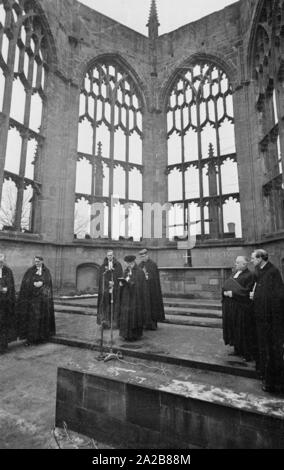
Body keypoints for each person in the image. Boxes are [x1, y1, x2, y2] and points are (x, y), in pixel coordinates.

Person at [250, 250, 284, 393]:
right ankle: (264, 375)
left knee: (272, 350)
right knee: (263, 349)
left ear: (260, 258)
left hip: (270, 320)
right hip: (261, 318)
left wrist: (256, 296)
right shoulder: (259, 270)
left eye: (253, 258)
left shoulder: (272, 272)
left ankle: (274, 383)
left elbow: (277, 296)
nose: (252, 261)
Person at [222, 256, 256, 361]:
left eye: (237, 262)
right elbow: (227, 284)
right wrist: (224, 291)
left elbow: (247, 291)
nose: (235, 264)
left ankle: (247, 353)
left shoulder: (250, 275)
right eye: (236, 262)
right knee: (234, 328)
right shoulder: (234, 273)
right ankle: (237, 349)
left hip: (242, 307)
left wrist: (233, 293)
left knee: (243, 330)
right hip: (231, 306)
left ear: (244, 264)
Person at [18, 256, 55, 345]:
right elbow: (25, 282)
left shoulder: (46, 271)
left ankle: (41, 338)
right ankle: (30, 339)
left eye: (38, 261)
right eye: (35, 261)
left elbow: (48, 283)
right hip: (32, 300)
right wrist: (33, 283)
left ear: (42, 261)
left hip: (42, 300)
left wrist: (42, 283)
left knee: (41, 319)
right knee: (32, 320)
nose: (36, 263)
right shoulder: (30, 270)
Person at [116, 255, 146, 341]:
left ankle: (134, 335)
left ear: (132, 263)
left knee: (134, 317)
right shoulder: (125, 271)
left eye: (128, 264)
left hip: (135, 299)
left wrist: (130, 283)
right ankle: (125, 335)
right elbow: (123, 281)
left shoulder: (139, 272)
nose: (127, 266)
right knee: (126, 316)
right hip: (126, 298)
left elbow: (140, 286)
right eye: (126, 264)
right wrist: (121, 284)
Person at [138, 248, 165, 330]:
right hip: (143, 291)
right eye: (141, 256)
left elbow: (154, 278)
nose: (143, 258)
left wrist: (148, 277)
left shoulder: (152, 264)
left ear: (147, 255)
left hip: (152, 290)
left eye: (144, 256)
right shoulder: (140, 265)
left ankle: (153, 324)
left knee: (152, 307)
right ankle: (145, 324)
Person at [97, 250, 123, 329]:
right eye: (108, 255)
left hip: (115, 289)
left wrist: (114, 282)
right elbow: (101, 278)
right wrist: (108, 283)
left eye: (111, 255)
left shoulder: (118, 265)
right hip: (106, 290)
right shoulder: (103, 266)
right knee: (106, 305)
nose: (110, 257)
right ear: (106, 256)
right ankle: (106, 322)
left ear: (113, 255)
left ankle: (115, 322)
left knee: (115, 305)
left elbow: (120, 275)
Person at [0, 253, 16, 353]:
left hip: (5, 303)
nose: (0, 263)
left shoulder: (8, 271)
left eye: (2, 261)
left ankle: (3, 346)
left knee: (4, 324)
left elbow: (11, 284)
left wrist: (7, 289)